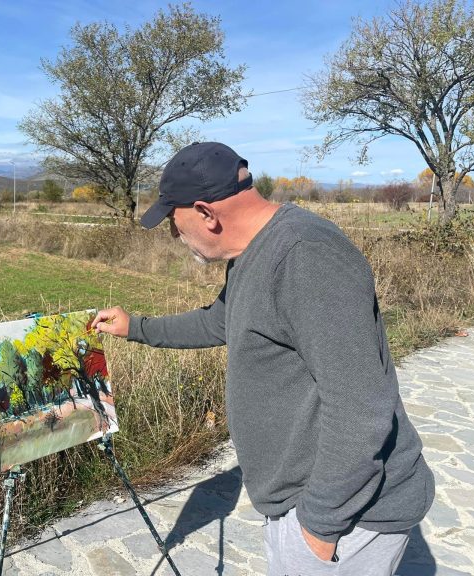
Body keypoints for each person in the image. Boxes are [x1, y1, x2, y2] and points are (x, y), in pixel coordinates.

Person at [92, 142, 434, 576]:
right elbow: (222, 321)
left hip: (348, 518)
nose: (175, 237)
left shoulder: (306, 256)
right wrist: (135, 327)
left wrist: (318, 527)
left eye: (173, 224)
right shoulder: (254, 251)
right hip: (311, 504)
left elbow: (362, 406)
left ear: (205, 213)